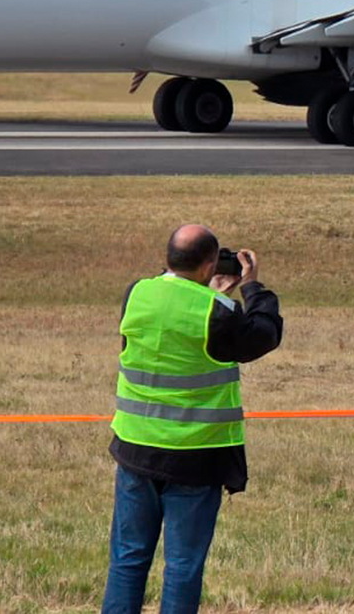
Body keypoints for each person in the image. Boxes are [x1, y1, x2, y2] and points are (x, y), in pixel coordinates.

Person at [101, 224, 283, 614]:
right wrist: (252, 286)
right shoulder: (218, 312)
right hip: (195, 457)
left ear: (168, 257)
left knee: (128, 560)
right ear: (209, 265)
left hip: (135, 450)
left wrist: (209, 293)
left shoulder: (137, 294)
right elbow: (263, 334)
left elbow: (174, 326)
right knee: (182, 567)